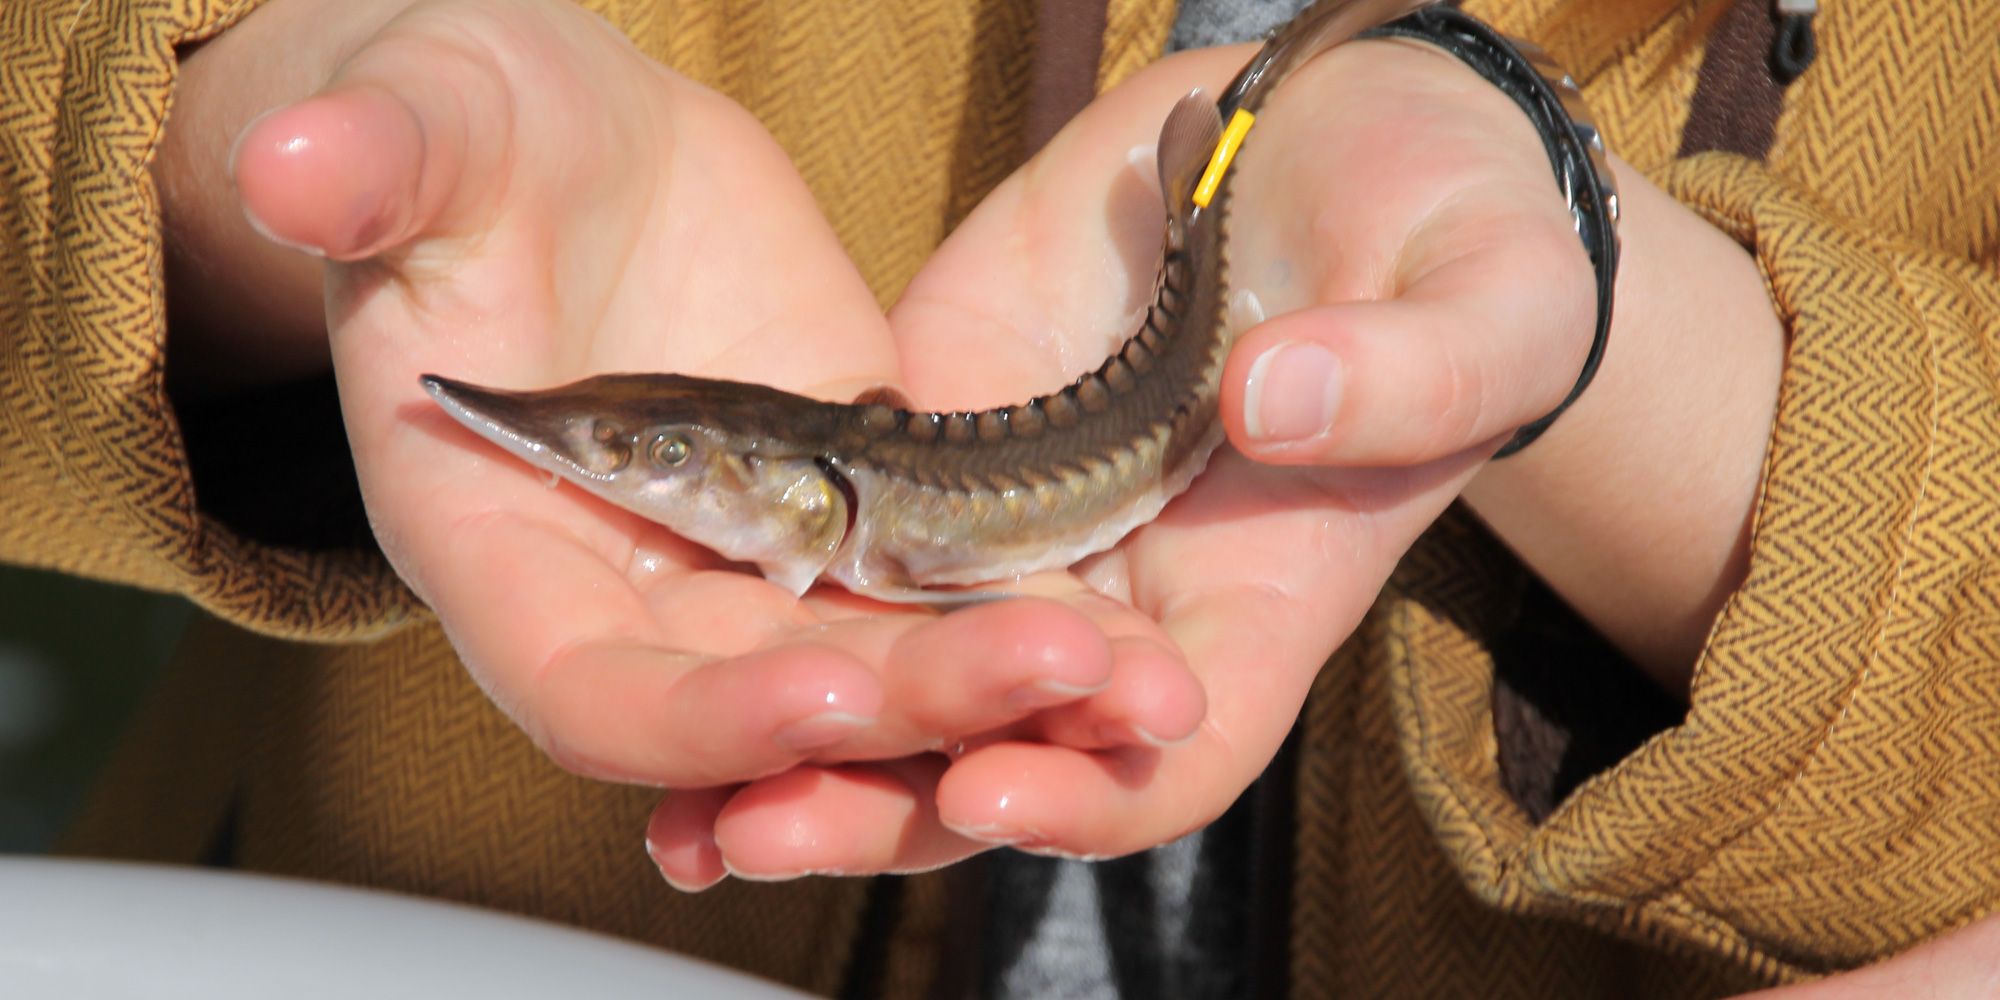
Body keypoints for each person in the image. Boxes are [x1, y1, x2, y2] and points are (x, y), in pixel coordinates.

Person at [4, 0, 1995, 995]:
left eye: (648, 458)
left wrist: (1619, 362)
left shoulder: (889, 508)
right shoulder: (854, 511)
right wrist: (249, 124)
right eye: (639, 460)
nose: (621, 473)